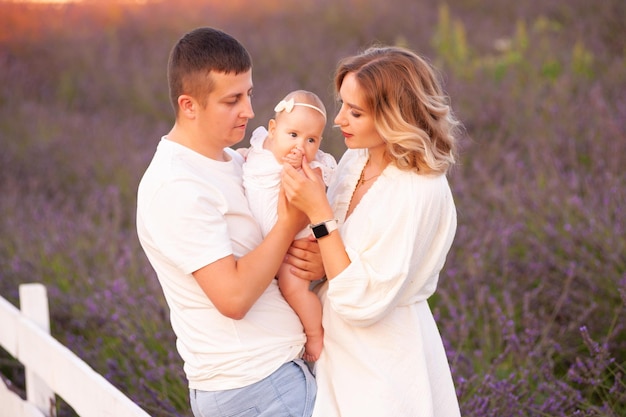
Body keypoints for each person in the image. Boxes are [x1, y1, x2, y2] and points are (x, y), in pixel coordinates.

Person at [136, 27, 322, 417]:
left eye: (249, 94)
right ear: (189, 105)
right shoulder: (176, 185)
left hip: (279, 374)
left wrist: (314, 258)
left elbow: (273, 253)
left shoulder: (237, 163)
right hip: (255, 387)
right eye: (232, 100)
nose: (250, 111)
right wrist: (291, 223)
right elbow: (233, 298)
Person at [282, 45, 463, 416]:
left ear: (394, 116)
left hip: (383, 366)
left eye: (355, 112)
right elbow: (339, 260)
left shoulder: (418, 190)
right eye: (342, 105)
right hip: (335, 356)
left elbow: (361, 302)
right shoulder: (355, 159)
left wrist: (319, 215)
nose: (337, 121)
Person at [241, 89, 337, 362]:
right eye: (293, 135)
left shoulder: (313, 166)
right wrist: (244, 154)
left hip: (297, 242)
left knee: (292, 286)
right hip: (267, 241)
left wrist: (297, 169)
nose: (300, 146)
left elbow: (313, 190)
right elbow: (248, 156)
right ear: (272, 130)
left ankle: (315, 334)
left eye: (311, 140)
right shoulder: (260, 146)